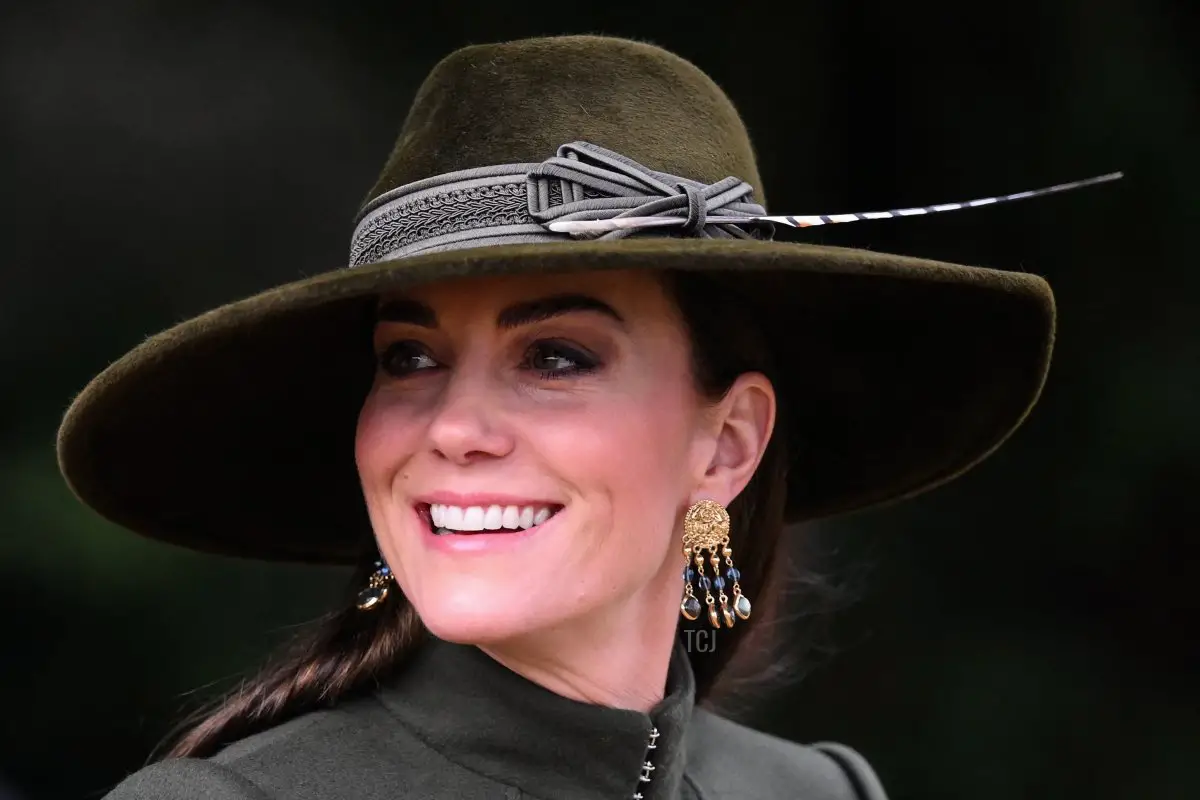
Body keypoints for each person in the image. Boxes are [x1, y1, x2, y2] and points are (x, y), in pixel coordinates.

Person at [57, 34, 1056, 800]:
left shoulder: (820, 791)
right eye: (409, 357)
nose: (455, 425)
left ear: (728, 441)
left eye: (556, 355)